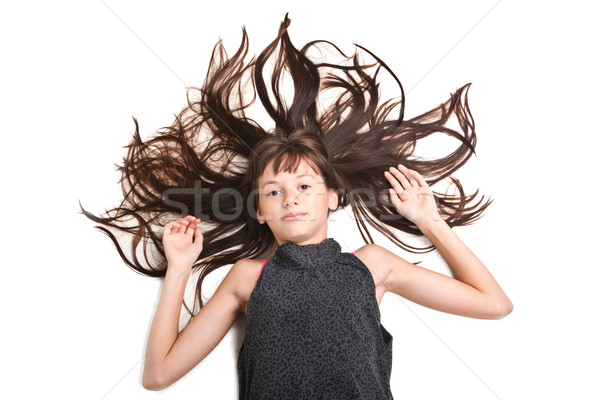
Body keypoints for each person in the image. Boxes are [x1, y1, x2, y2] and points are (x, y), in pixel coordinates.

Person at [81, 13, 512, 399]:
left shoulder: (373, 266)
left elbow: (494, 304)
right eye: (273, 191)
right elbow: (157, 375)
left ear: (333, 197)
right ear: (258, 211)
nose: (291, 198)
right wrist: (178, 268)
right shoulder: (247, 277)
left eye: (305, 185)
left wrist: (430, 221)